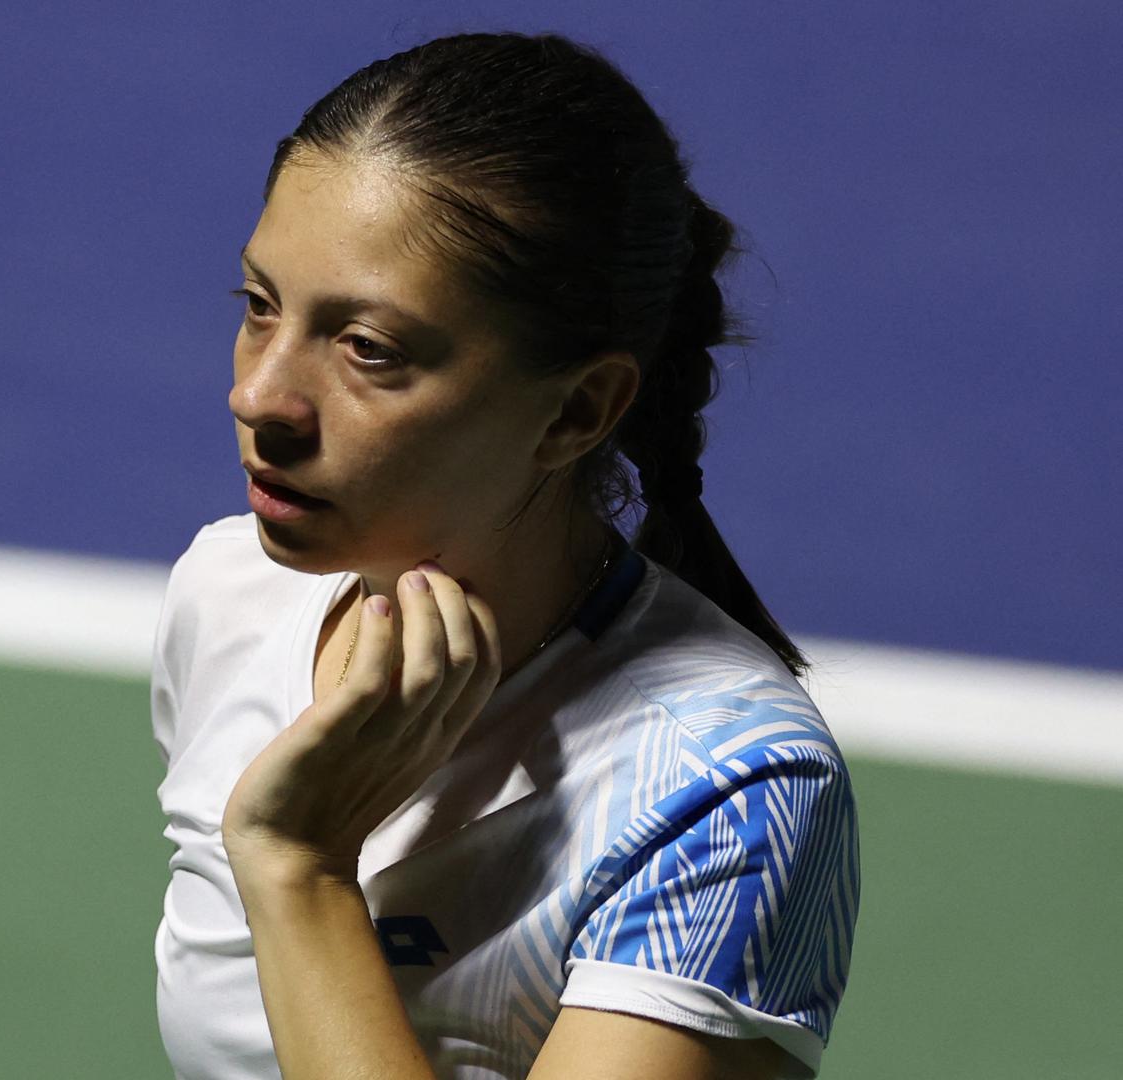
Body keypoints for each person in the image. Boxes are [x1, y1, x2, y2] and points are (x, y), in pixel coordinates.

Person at [150, 31, 859, 1080]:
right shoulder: (231, 595)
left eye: (369, 349)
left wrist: (300, 869)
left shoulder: (726, 791)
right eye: (261, 308)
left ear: (577, 411)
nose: (257, 396)